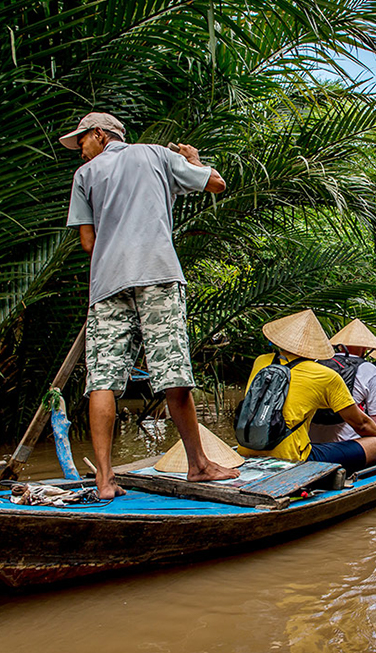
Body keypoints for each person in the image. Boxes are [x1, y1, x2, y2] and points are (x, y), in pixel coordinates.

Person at [61, 112, 239, 498]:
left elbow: (88, 244)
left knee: (103, 379)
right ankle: (199, 465)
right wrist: (191, 159)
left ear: (99, 135)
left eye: (81, 143)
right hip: (156, 273)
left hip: (107, 284)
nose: (80, 152)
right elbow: (216, 183)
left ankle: (105, 479)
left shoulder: (85, 178)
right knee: (173, 369)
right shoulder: (155, 155)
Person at [238, 310, 376, 473]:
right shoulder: (324, 375)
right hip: (293, 457)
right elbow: (362, 424)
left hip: (247, 446)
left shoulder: (262, 362)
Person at [308, 319, 376, 446]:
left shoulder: (317, 363)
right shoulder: (367, 369)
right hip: (350, 443)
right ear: (365, 348)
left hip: (312, 442)